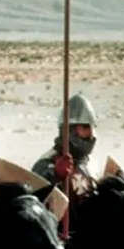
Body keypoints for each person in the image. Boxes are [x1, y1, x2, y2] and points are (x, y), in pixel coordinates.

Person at [32, 93, 100, 226]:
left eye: (92, 127)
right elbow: (33, 199)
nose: (91, 134)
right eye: (85, 127)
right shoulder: (47, 162)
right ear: (70, 130)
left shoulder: (91, 163)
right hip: (60, 233)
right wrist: (54, 175)